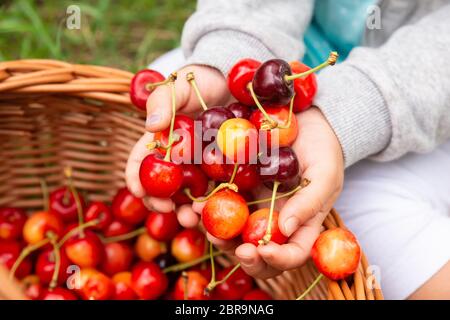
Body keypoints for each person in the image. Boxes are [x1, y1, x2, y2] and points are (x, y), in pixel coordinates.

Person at [126, 0, 450, 299]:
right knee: (170, 81)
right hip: (289, 59)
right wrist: (231, 56)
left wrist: (347, 114)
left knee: (383, 243)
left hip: (421, 101)